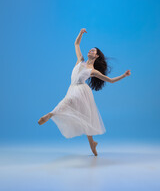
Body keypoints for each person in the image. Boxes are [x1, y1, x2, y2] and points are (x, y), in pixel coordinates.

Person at [38, 28, 131, 156]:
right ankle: (92, 143)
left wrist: (124, 75)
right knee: (85, 117)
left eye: (93, 50)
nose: (90, 51)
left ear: (96, 56)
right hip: (72, 88)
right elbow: (76, 44)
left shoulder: (93, 71)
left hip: (80, 90)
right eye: (90, 49)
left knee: (68, 101)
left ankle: (51, 114)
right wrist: (80, 33)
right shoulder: (80, 60)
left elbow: (110, 80)